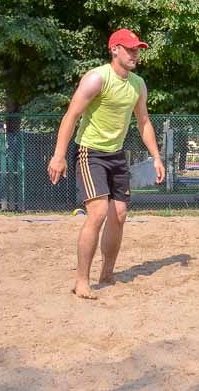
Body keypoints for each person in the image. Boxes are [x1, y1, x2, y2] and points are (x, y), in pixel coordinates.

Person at [48, 29, 165, 299]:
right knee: (98, 213)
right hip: (91, 153)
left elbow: (144, 121)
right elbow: (71, 116)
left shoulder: (138, 84)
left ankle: (107, 273)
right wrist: (59, 155)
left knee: (120, 214)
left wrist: (156, 157)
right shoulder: (97, 78)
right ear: (115, 50)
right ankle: (81, 281)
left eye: (137, 49)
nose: (135, 53)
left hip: (116, 154)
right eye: (130, 49)